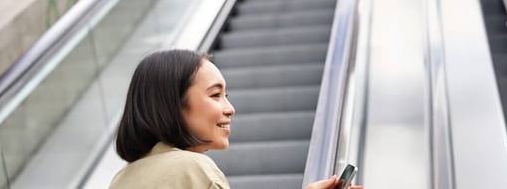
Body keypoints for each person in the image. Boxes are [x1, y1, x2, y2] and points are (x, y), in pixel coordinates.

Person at [110, 49, 363, 189]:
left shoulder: (122, 180)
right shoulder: (194, 170)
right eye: (215, 95)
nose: (230, 109)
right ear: (173, 105)